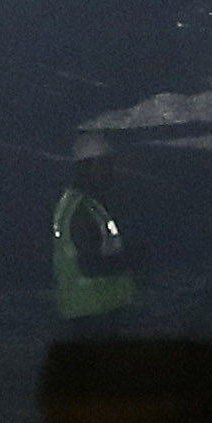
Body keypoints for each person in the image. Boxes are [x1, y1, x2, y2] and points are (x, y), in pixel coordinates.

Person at [52, 134, 136, 327]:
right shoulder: (81, 209)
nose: (110, 171)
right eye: (104, 165)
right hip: (93, 316)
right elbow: (90, 265)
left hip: (95, 311)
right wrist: (130, 259)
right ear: (86, 167)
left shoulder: (86, 204)